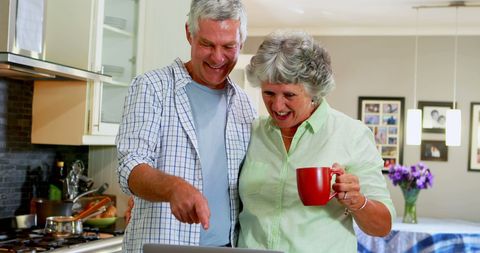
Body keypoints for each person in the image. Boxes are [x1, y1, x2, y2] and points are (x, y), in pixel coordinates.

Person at [115, 0, 256, 251]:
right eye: (207, 44)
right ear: (189, 34)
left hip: (227, 246)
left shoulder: (244, 104)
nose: (218, 57)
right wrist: (172, 188)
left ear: (241, 43)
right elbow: (130, 167)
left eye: (228, 46)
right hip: (165, 245)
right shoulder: (152, 87)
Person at [237, 30, 395, 252]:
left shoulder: (352, 134)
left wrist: (357, 201)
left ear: (315, 91)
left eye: (289, 95)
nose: (277, 106)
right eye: (269, 93)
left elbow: (382, 226)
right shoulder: (252, 133)